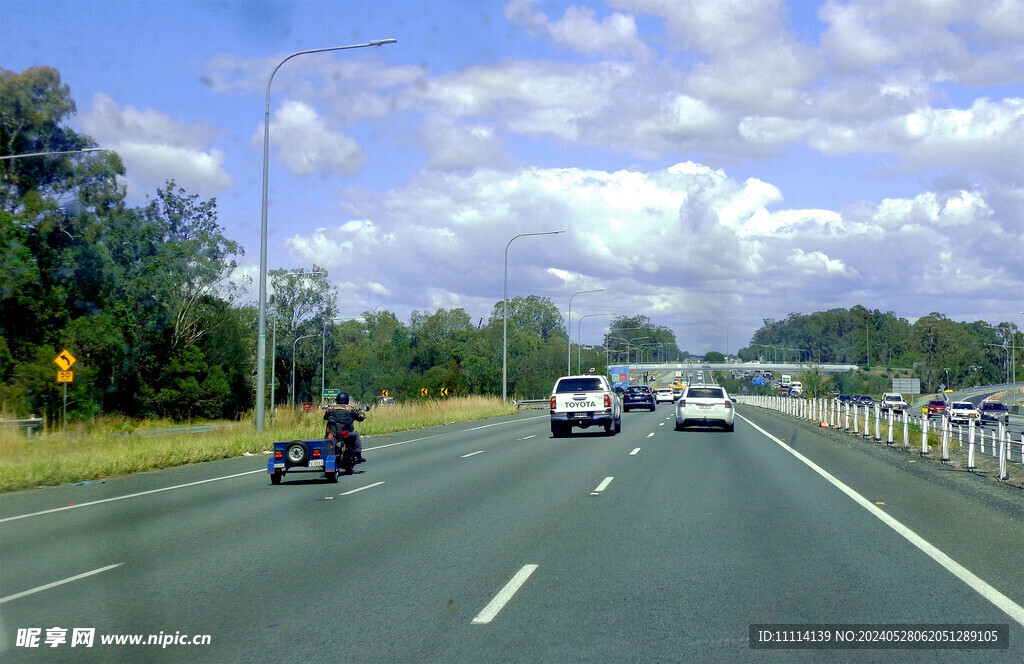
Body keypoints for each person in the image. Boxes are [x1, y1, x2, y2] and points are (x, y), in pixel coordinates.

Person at [323, 392, 366, 463]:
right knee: (356, 435)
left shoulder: (330, 408)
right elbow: (359, 417)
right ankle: (358, 455)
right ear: (347, 400)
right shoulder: (350, 409)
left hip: (332, 433)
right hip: (344, 433)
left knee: (326, 439)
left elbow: (325, 417)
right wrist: (361, 416)